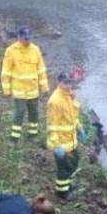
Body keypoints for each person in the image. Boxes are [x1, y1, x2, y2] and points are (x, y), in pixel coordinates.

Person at [1, 26, 50, 142]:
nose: (27, 41)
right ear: (18, 37)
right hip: (19, 90)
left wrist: (44, 87)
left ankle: (32, 136)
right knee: (20, 113)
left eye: (29, 39)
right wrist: (6, 90)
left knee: (34, 113)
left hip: (33, 90)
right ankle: (14, 138)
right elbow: (5, 72)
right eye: (25, 39)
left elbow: (41, 70)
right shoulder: (11, 51)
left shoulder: (35, 50)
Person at [47, 72, 85, 200]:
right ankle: (62, 193)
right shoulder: (55, 101)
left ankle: (68, 184)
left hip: (71, 140)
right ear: (59, 82)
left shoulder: (69, 96)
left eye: (70, 82)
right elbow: (52, 126)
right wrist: (57, 146)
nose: (68, 86)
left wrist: (79, 128)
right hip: (62, 144)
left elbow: (73, 117)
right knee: (64, 169)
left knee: (74, 163)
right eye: (65, 83)